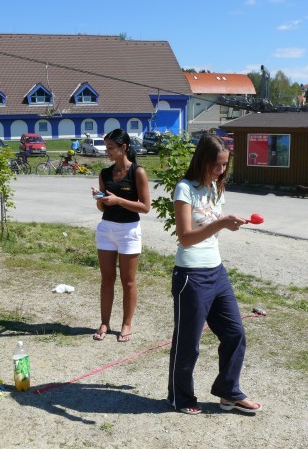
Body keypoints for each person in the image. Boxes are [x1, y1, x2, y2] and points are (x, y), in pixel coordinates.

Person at [167, 134, 262, 414]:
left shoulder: (216, 189)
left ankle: (228, 391)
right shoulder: (185, 188)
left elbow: (211, 227)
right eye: (216, 165)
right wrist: (221, 222)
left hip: (216, 272)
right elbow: (185, 237)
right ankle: (179, 397)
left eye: (224, 166)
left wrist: (229, 221)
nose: (221, 170)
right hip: (190, 275)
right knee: (188, 343)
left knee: (235, 334)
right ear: (203, 160)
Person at [91, 129, 150, 342]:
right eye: (106, 147)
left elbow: (145, 207)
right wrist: (99, 198)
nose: (107, 152)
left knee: (128, 281)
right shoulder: (105, 174)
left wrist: (119, 201)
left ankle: (126, 324)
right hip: (106, 229)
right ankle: (104, 322)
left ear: (123, 148)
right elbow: (101, 208)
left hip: (129, 231)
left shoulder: (137, 172)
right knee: (107, 279)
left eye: (110, 148)